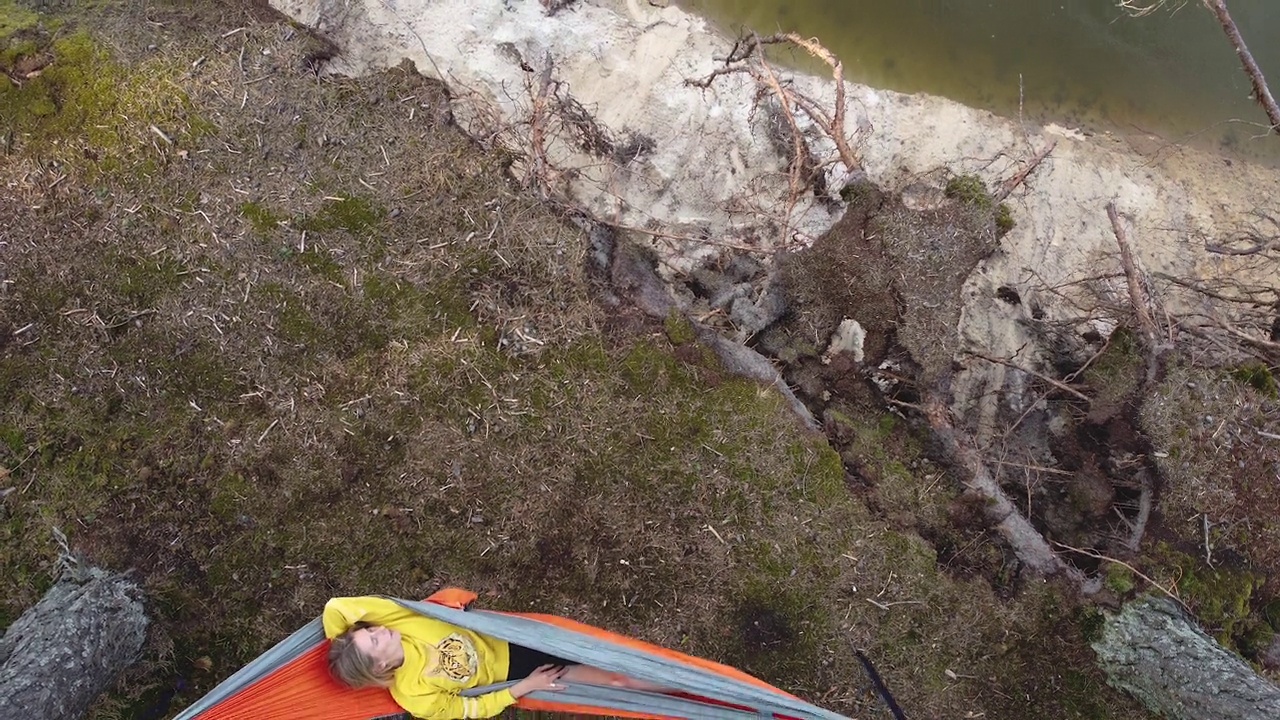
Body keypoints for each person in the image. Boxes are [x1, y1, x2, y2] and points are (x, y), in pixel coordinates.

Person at [324, 595, 665, 719]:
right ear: (380, 666)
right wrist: (525, 687)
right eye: (372, 640)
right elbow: (472, 708)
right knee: (617, 681)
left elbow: (337, 607)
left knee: (609, 651)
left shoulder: (400, 622)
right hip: (518, 673)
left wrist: (336, 641)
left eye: (369, 630)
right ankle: (694, 690)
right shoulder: (414, 696)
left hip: (516, 637)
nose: (377, 630)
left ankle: (682, 673)